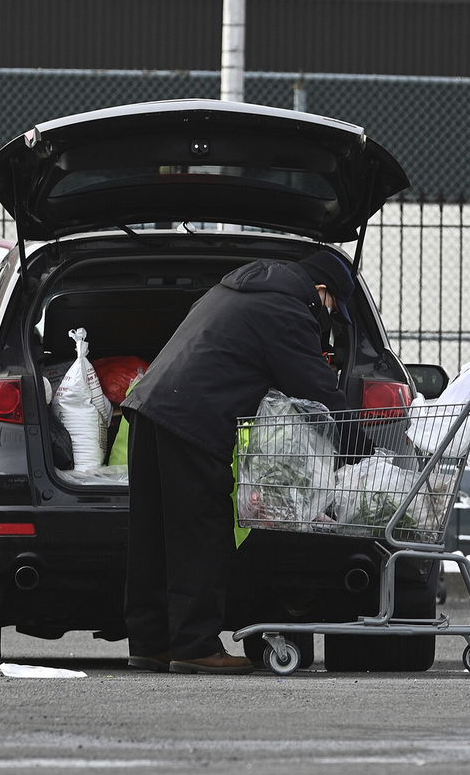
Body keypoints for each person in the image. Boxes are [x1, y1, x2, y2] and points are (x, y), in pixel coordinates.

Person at [119, 250, 355, 674]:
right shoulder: (287, 309)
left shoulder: (237, 290)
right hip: (192, 420)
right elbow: (316, 389)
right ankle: (194, 646)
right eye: (334, 308)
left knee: (154, 535)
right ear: (322, 291)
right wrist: (361, 445)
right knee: (201, 533)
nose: (329, 320)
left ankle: (150, 643)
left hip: (148, 407)